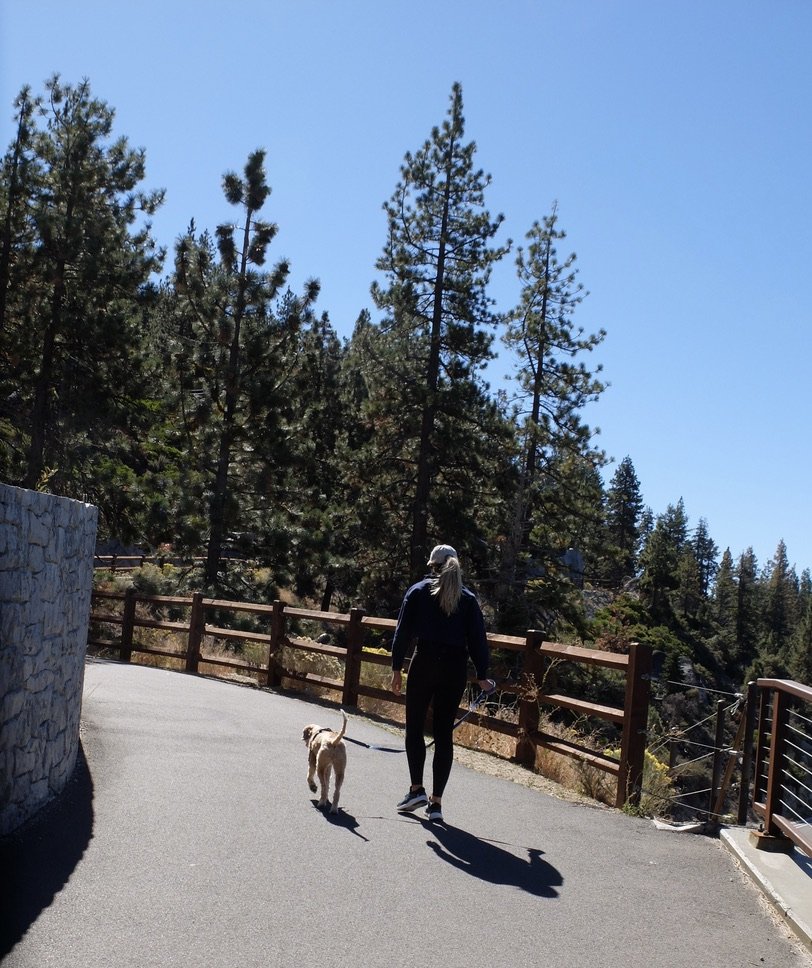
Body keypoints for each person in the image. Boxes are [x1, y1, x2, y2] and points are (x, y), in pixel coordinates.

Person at [390, 544, 492, 823]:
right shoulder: (468, 599)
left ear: (432, 565)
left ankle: (416, 789)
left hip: (424, 663)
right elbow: (478, 641)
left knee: (414, 727)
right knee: (443, 734)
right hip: (454, 667)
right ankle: (436, 804)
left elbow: (402, 633)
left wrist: (396, 668)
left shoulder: (418, 591)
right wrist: (482, 675)